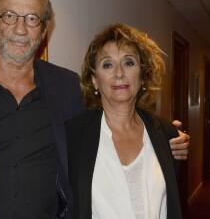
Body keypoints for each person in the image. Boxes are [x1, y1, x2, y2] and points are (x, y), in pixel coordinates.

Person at [0, 0, 189, 219]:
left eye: (32, 18)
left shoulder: (67, 87)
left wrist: (166, 137)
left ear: (44, 29)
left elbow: (111, 118)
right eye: (9, 15)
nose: (21, 29)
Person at [66, 23, 183, 219]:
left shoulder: (167, 134)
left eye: (129, 62)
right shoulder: (73, 135)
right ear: (95, 80)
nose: (119, 73)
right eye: (107, 64)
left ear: (143, 76)